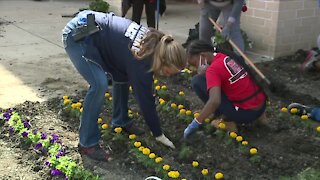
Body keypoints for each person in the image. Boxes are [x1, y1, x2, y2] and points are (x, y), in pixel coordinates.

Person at [62, 10, 187, 161]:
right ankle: (87, 143)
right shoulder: (142, 62)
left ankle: (120, 120)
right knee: (99, 85)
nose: (168, 75)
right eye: (169, 71)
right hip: (79, 35)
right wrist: (158, 133)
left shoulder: (154, 44)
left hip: (94, 28)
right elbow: (145, 101)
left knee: (122, 76)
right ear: (163, 60)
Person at [183, 40, 267, 139]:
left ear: (203, 56)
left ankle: (228, 122)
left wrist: (196, 122)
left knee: (197, 81)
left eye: (195, 64)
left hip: (245, 114)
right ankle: (261, 117)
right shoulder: (224, 56)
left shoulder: (213, 70)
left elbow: (214, 101)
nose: (195, 68)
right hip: (261, 105)